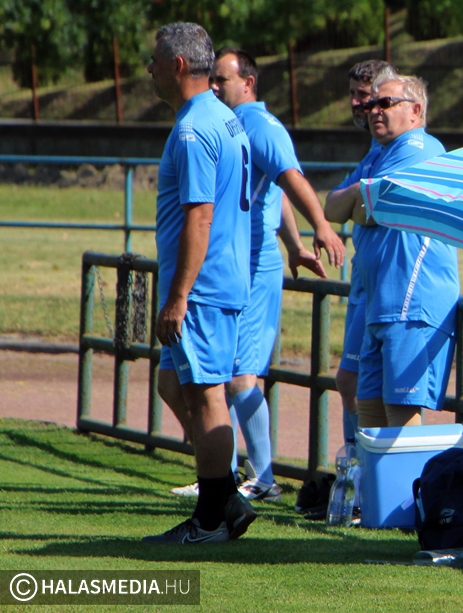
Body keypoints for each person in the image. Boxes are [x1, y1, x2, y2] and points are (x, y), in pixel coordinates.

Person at [168, 47, 344, 503]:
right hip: (231, 260)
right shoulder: (228, 122)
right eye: (212, 79)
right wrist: (296, 245)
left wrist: (321, 226)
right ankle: (221, 474)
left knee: (240, 378)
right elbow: (272, 194)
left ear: (248, 83)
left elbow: (290, 177)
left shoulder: (260, 124)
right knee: (189, 380)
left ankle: (263, 478)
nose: (214, 86)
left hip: (252, 264)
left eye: (222, 79)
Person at [142, 22, 256, 544]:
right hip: (219, 280)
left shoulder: (192, 130)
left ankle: (211, 519)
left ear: (178, 65)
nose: (149, 69)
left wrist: (178, 296)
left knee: (207, 396)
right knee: (178, 385)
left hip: (202, 288)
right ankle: (226, 499)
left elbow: (200, 216)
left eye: (155, 60)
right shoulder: (223, 116)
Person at [324, 73, 459, 429]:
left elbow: (372, 212)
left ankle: (404, 474)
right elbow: (332, 209)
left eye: (385, 103)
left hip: (411, 305)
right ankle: (366, 469)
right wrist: (361, 194)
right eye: (371, 104)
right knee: (370, 417)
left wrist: (359, 198)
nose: (373, 111)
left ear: (415, 110)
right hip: (381, 305)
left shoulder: (420, 148)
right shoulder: (377, 156)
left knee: (400, 421)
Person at [334, 59, 396, 446]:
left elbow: (373, 209)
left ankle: (359, 467)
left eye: (365, 95)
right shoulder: (373, 149)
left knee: (353, 381)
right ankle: (356, 467)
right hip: (363, 279)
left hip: (383, 282)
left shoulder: (396, 148)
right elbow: (335, 204)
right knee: (355, 383)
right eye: (353, 95)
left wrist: (353, 204)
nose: (358, 104)